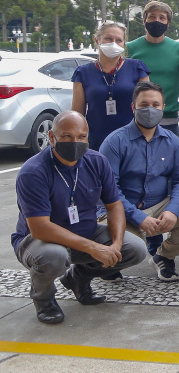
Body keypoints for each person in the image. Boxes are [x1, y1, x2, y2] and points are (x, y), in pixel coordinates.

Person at [11, 111, 147, 325]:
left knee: (135, 249)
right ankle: (44, 299)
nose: (75, 142)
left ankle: (78, 278)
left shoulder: (96, 162)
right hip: (39, 241)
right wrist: (93, 248)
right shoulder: (34, 172)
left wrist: (116, 245)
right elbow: (40, 229)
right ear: (52, 137)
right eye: (67, 136)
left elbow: (114, 206)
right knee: (54, 256)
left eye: (81, 136)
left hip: (86, 232)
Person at [99, 81, 179, 282]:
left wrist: (173, 210)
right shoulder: (115, 142)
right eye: (144, 105)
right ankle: (113, 260)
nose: (150, 109)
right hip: (121, 209)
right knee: (128, 244)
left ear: (163, 107)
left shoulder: (172, 141)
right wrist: (138, 218)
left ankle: (164, 256)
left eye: (155, 105)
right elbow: (108, 189)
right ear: (133, 107)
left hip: (158, 205)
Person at [71, 21, 150, 150]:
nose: (113, 43)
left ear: (124, 44)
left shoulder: (137, 68)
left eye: (119, 40)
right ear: (97, 40)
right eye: (108, 38)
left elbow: (147, 106)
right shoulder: (83, 73)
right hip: (96, 141)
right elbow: (78, 113)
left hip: (132, 140)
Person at [126, 0, 179, 137]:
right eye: (152, 16)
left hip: (169, 118)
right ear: (144, 21)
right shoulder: (130, 48)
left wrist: (169, 99)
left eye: (162, 18)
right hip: (137, 118)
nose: (156, 21)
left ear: (168, 23)